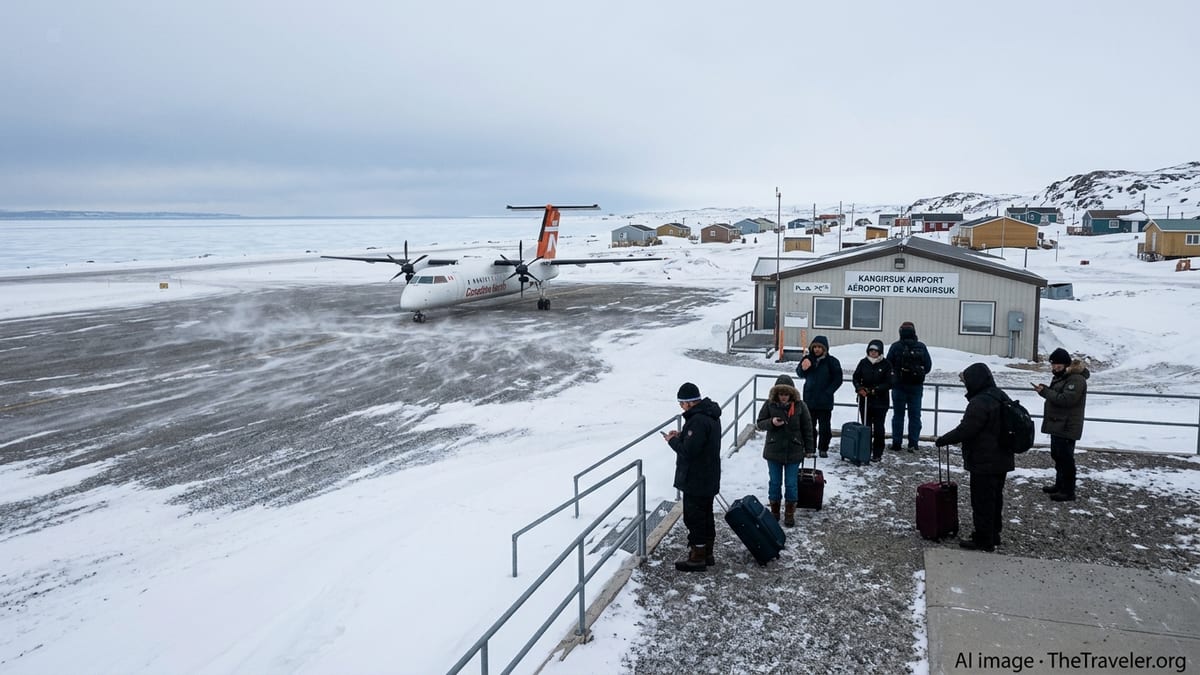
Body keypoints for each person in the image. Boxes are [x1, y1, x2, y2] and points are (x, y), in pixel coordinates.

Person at [934, 363, 1013, 552]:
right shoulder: (999, 395)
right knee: (995, 497)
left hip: (984, 458)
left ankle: (983, 538)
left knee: (982, 500)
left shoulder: (979, 402)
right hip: (1002, 456)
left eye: (967, 382)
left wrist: (943, 440)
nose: (966, 386)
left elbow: (967, 429)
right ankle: (994, 533)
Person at [663, 382, 722, 571]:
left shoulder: (698, 420)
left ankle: (697, 558)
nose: (681, 407)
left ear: (689, 403)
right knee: (706, 515)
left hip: (696, 478)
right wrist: (682, 436)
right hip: (708, 475)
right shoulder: (709, 415)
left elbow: (689, 452)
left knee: (694, 518)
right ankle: (708, 553)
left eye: (682, 403)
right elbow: (700, 442)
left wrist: (673, 441)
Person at [755, 374, 815, 527]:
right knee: (774, 482)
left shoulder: (801, 406)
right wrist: (772, 422)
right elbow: (760, 423)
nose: (783, 397)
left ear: (791, 394)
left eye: (786, 394)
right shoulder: (769, 404)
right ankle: (775, 511)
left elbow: (808, 428)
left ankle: (789, 514)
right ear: (776, 393)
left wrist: (809, 449)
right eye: (781, 394)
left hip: (794, 451)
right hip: (774, 451)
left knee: (791, 483)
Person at [1034, 348, 1089, 502]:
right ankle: (1060, 485)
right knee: (1058, 456)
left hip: (1067, 425)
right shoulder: (1062, 377)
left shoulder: (1076, 379)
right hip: (1058, 424)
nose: (1054, 368)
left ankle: (1068, 491)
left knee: (1066, 458)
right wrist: (1045, 390)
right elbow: (1057, 395)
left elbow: (1066, 400)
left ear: (1066, 364)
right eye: (1053, 365)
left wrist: (1046, 392)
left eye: (1057, 365)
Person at [886, 321, 932, 453]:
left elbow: (888, 365)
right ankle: (913, 443)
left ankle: (896, 443)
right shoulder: (921, 346)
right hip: (916, 387)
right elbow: (928, 366)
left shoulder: (895, 347)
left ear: (900, 332)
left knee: (898, 416)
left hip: (898, 386)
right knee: (915, 416)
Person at [796, 335, 842, 458]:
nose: (816, 349)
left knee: (825, 427)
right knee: (809, 426)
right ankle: (810, 448)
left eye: (819, 347)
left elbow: (838, 379)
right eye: (815, 347)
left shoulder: (832, 361)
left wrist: (828, 392)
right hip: (809, 399)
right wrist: (802, 367)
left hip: (825, 401)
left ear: (824, 348)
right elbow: (800, 373)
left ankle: (823, 448)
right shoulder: (808, 359)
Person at [852, 339, 893, 462]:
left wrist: (875, 390)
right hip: (865, 401)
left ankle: (877, 453)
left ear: (880, 352)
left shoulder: (886, 364)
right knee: (866, 427)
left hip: (881, 401)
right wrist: (859, 388)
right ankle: (865, 451)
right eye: (871, 350)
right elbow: (855, 377)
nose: (873, 353)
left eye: (875, 351)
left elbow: (890, 382)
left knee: (879, 428)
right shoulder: (863, 363)